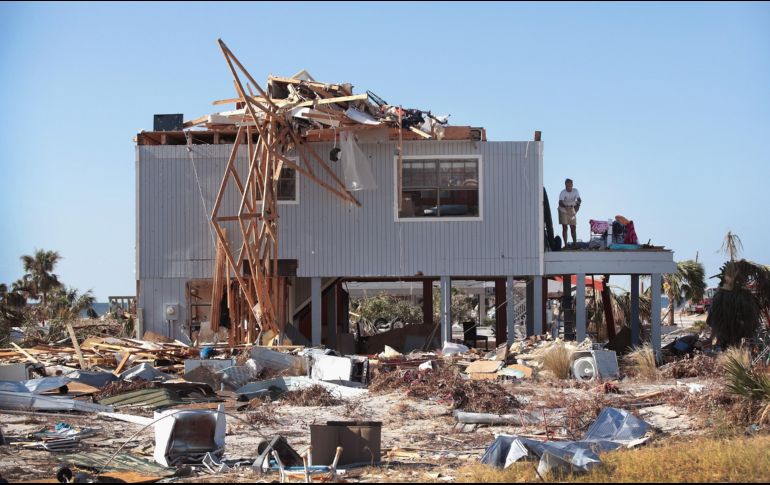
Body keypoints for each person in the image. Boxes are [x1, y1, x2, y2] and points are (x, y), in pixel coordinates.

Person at [558, 178, 581, 247]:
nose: (568, 187)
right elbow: (560, 202)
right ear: (565, 185)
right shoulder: (563, 192)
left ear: (572, 185)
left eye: (570, 186)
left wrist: (576, 211)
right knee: (565, 227)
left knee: (573, 227)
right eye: (567, 186)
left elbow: (579, 201)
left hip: (572, 209)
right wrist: (565, 206)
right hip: (563, 209)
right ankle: (566, 245)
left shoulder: (575, 191)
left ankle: (575, 245)